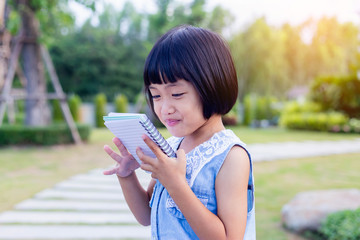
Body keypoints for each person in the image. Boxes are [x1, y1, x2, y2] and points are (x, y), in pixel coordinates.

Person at [103, 25, 255, 240]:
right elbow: (147, 215)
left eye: (176, 94)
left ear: (212, 85)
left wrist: (176, 184)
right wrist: (127, 176)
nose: (164, 108)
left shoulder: (231, 157)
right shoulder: (172, 146)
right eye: (156, 96)